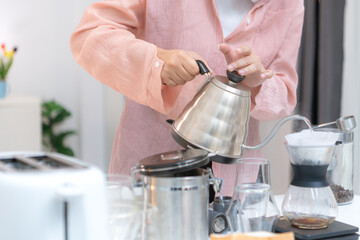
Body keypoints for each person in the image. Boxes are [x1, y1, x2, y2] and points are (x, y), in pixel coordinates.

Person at [70, 0, 304, 195]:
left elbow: (285, 91)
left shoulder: (289, 5)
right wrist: (157, 61)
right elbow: (90, 37)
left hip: (236, 186)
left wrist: (257, 85)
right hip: (151, 175)